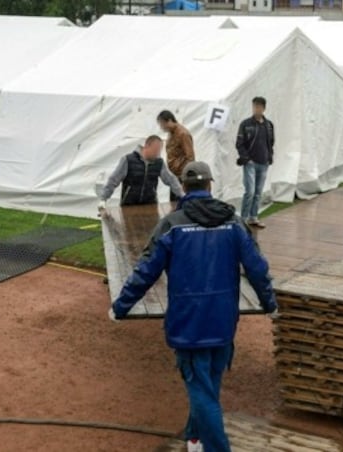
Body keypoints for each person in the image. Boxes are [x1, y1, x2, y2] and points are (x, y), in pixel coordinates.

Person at [108, 161, 277, 452]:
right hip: (224, 320)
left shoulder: (172, 224)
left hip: (188, 322)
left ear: (184, 187)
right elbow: (257, 268)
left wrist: (121, 307)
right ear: (210, 185)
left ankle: (216, 448)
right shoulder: (234, 221)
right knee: (209, 383)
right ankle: (194, 437)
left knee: (200, 390)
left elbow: (146, 270)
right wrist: (269, 303)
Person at [97, 135, 183, 211]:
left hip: (151, 206)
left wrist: (183, 196)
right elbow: (113, 180)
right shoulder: (128, 160)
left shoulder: (159, 163)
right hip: (128, 207)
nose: (158, 154)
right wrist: (103, 199)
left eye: (159, 151)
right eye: (155, 150)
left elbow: (171, 180)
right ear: (147, 146)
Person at [235, 97, 274, 229]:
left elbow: (271, 142)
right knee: (250, 191)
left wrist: (269, 157)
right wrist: (246, 159)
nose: (256, 109)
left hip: (264, 163)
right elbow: (239, 144)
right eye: (254, 106)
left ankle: (253, 217)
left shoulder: (269, 125)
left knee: (258, 192)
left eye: (258, 107)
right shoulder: (245, 124)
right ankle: (243, 219)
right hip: (250, 163)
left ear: (263, 108)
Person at [157, 110, 195, 200]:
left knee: (180, 202)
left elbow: (190, 157)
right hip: (174, 175)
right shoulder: (171, 133)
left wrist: (185, 177)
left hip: (182, 176)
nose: (161, 128)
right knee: (173, 203)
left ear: (169, 121)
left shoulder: (183, 134)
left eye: (162, 124)